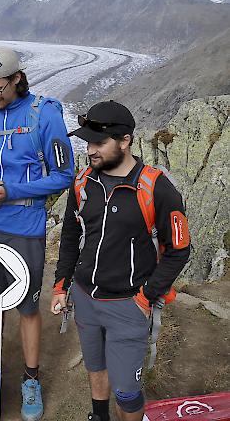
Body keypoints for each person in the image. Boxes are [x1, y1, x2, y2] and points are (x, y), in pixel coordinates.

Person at [50, 101, 190, 421]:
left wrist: (146, 297)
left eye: (99, 143)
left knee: (127, 393)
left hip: (129, 304)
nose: (90, 150)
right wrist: (61, 286)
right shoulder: (84, 182)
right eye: (87, 143)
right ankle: (99, 415)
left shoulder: (156, 187)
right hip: (85, 298)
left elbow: (179, 249)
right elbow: (72, 236)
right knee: (95, 365)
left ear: (125, 141)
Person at [0, 47, 74, 421]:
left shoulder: (45, 113)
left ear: (17, 79)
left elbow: (62, 175)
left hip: (24, 226)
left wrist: (13, 192)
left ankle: (30, 379)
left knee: (26, 305)